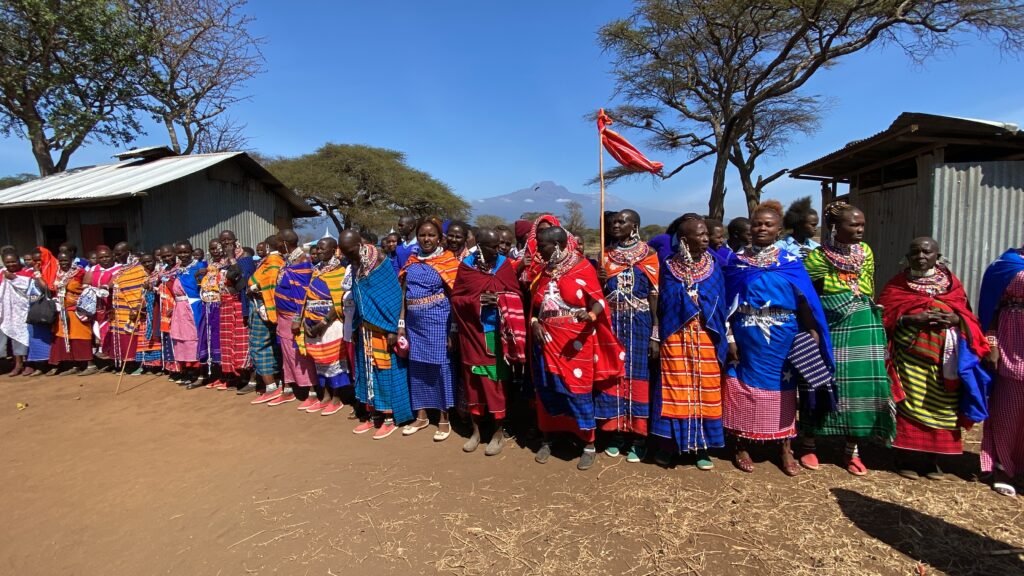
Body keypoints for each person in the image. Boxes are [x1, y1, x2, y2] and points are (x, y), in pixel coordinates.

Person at [722, 200, 834, 476]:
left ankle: (785, 448)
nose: (761, 228)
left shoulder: (790, 262)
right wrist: (730, 338)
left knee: (785, 390)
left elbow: (805, 299)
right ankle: (741, 445)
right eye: (756, 223)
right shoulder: (736, 262)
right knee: (742, 390)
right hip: (746, 333)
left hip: (784, 333)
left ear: (779, 229)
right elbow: (724, 303)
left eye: (768, 224)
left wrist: (812, 332)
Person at [879, 237, 991, 480]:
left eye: (926, 252)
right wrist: (910, 320)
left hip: (945, 360)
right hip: (909, 359)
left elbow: (967, 314)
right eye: (915, 251)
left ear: (937, 256)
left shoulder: (951, 283)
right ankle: (904, 458)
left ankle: (932, 460)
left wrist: (954, 320)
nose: (921, 256)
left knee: (942, 407)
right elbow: (883, 316)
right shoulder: (898, 284)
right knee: (909, 405)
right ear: (907, 257)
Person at [798, 202, 894, 476]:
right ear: (834, 227)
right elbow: (810, 298)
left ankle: (852, 449)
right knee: (821, 381)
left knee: (858, 388)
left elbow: (867, 287)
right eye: (854, 224)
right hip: (829, 328)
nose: (860, 229)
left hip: (863, 324)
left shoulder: (865, 252)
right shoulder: (816, 258)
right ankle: (809, 444)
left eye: (862, 224)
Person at [531, 226, 623, 471]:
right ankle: (549, 438)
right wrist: (533, 323)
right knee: (548, 390)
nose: (539, 250)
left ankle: (588, 444)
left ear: (558, 245)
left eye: (543, 246)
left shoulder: (582, 267)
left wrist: (589, 315)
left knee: (578, 391)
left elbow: (599, 302)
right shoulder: (542, 272)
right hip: (545, 340)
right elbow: (533, 307)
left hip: (575, 340)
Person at [648, 215, 728, 470]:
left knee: (706, 388)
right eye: (701, 234)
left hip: (706, 335)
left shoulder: (714, 265)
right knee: (675, 389)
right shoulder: (668, 267)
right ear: (684, 239)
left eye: (707, 234)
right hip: (676, 337)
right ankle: (670, 446)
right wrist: (684, 303)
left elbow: (720, 301)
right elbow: (664, 302)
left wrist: (700, 302)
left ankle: (701, 448)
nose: (706, 238)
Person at [452, 228, 525, 455]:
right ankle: (476, 432)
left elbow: (517, 294)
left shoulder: (504, 265)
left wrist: (501, 299)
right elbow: (456, 298)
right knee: (474, 381)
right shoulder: (467, 266)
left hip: (497, 333)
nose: (499, 250)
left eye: (500, 246)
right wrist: (478, 300)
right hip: (473, 333)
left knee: (496, 383)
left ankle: (497, 432)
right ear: (479, 246)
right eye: (492, 247)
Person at [340, 229, 413, 439]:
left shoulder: (378, 260)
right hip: (365, 328)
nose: (348, 255)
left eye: (351, 250)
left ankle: (389, 418)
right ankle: (375, 416)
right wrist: (355, 326)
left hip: (383, 329)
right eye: (344, 252)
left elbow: (392, 295)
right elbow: (358, 296)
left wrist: (392, 328)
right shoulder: (354, 264)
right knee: (367, 373)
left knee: (384, 372)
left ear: (360, 245)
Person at [599, 210, 658, 462]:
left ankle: (638, 437)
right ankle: (615, 433)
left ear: (635, 225)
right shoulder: (605, 255)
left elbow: (655, 295)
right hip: (612, 324)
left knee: (638, 376)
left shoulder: (650, 255)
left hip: (641, 324)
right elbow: (597, 295)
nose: (615, 225)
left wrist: (656, 333)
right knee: (614, 374)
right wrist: (599, 280)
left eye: (621, 221)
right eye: (612, 222)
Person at [398, 218, 460, 440]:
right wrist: (402, 325)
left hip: (438, 322)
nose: (426, 239)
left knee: (440, 367)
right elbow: (404, 294)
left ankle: (444, 418)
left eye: (431, 235)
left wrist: (452, 330)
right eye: (422, 235)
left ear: (439, 238)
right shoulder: (412, 260)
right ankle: (422, 416)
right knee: (418, 369)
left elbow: (455, 296)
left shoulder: (448, 261)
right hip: (414, 325)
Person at [978, 244, 1024, 497]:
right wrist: (991, 343)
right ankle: (1002, 468)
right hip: (1013, 339)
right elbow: (992, 306)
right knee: (1009, 408)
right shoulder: (1008, 264)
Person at [298, 237, 351, 415]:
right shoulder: (316, 271)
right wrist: (306, 319)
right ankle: (325, 396)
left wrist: (324, 322)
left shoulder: (340, 271)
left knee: (333, 360)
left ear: (334, 249)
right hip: (312, 321)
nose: (319, 251)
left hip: (331, 323)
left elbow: (339, 301)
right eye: (318, 249)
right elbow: (308, 297)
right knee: (319, 360)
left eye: (322, 249)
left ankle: (337, 398)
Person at [276, 229, 317, 407]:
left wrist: (297, 318)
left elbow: (303, 294)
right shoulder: (289, 261)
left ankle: (312, 392)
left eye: (279, 242)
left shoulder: (302, 262)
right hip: (282, 316)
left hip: (294, 316)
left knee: (300, 353)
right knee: (287, 354)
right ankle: (290, 387)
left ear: (285, 243)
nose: (277, 245)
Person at [248, 235, 286, 404]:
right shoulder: (275, 261)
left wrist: (253, 287)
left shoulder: (273, 262)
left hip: (263, 307)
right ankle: (276, 382)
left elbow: (269, 282)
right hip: (265, 306)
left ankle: (271, 386)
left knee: (259, 345)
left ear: (269, 247)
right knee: (270, 344)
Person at [217, 230, 255, 391]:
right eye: (223, 240)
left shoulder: (244, 257)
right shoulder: (221, 261)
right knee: (231, 343)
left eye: (229, 240)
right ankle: (240, 375)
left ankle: (252, 379)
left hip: (241, 304)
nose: (226, 243)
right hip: (225, 305)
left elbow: (243, 280)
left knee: (244, 341)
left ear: (235, 240)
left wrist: (232, 257)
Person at [49, 251, 96, 375]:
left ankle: (90, 365)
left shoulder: (80, 272)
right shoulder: (57, 274)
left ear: (72, 260)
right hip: (62, 310)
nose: (64, 263)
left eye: (66, 260)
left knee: (82, 337)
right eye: (61, 260)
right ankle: (74, 364)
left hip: (77, 310)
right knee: (66, 337)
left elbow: (86, 290)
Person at [168, 241, 207, 387]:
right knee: (182, 340)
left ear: (191, 251)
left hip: (193, 307)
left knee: (195, 338)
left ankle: (201, 374)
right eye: (180, 253)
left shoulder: (200, 266)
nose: (183, 255)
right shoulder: (178, 269)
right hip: (180, 309)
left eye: (186, 252)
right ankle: (189, 371)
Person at [103, 242, 146, 369]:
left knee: (130, 335)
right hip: (119, 309)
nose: (116, 257)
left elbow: (140, 290)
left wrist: (137, 306)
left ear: (128, 252)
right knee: (120, 335)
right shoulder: (122, 269)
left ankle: (133, 364)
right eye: (115, 254)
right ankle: (123, 362)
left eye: (119, 254)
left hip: (131, 309)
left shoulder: (138, 269)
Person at [83, 245, 122, 361]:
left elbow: (114, 281)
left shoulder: (120, 269)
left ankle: (116, 357)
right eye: (101, 257)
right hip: (99, 305)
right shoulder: (94, 269)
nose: (104, 259)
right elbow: (85, 284)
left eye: (107, 256)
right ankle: (107, 355)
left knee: (115, 330)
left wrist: (106, 287)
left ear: (112, 256)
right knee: (101, 329)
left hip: (115, 304)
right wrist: (91, 289)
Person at [25, 247, 57, 376]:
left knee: (50, 338)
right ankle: (39, 365)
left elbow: (47, 289)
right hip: (34, 310)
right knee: (35, 338)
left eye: (40, 259)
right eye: (34, 260)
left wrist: (38, 274)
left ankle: (53, 365)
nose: (36, 262)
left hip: (48, 310)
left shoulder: (53, 269)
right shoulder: (28, 272)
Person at [0, 252, 32, 376]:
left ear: (19, 261)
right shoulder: (2, 274)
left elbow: (30, 287)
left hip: (23, 311)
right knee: (10, 337)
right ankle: (16, 364)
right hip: (7, 311)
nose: (11, 264)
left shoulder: (27, 272)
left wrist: (15, 279)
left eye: (13, 261)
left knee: (24, 338)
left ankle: (28, 364)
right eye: (8, 262)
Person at [198, 239, 225, 385]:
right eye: (212, 249)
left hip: (219, 305)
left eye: (217, 248)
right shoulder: (208, 266)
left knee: (219, 337)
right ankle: (215, 374)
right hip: (207, 305)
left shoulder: (226, 263)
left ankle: (226, 376)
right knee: (208, 338)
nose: (215, 251)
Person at [132, 252, 164, 375]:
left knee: (156, 335)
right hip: (146, 310)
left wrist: (151, 288)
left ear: (155, 260)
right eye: (144, 262)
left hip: (156, 309)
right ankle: (146, 364)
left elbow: (162, 290)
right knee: (144, 336)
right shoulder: (144, 276)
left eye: (149, 261)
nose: (147, 264)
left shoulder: (159, 274)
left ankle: (158, 365)